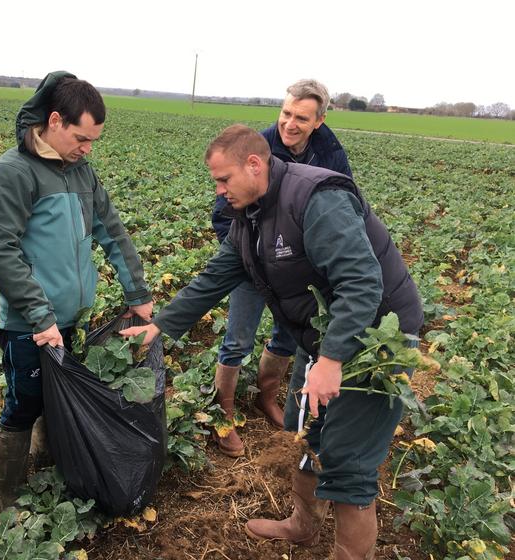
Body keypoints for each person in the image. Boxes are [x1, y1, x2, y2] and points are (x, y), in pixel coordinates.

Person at [121, 125, 423, 558]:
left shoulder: (316, 199)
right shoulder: (250, 216)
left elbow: (361, 284)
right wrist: (160, 326)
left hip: (377, 339)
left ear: (254, 164)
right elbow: (216, 276)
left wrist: (332, 360)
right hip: (322, 335)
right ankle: (303, 524)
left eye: (224, 179)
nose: (219, 190)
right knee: (304, 430)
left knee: (348, 463)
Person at [0, 71, 153, 510]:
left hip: (70, 317)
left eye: (93, 140)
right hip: (27, 324)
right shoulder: (11, 173)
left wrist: (138, 293)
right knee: (24, 405)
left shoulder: (81, 172)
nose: (87, 149)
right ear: (54, 120)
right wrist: (40, 317)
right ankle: (10, 500)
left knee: (56, 400)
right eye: (81, 137)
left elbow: (111, 231)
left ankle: (50, 467)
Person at [209, 79, 353, 457]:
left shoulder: (331, 155)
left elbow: (343, 211)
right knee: (238, 337)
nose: (290, 123)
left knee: (289, 336)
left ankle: (266, 396)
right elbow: (223, 213)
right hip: (252, 263)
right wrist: (251, 252)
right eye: (286, 113)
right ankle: (223, 413)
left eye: (301, 118)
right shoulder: (255, 148)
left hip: (299, 272)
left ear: (319, 121)